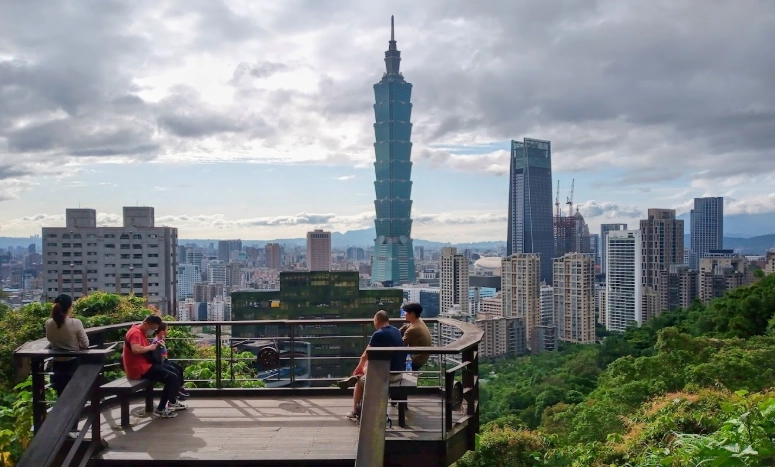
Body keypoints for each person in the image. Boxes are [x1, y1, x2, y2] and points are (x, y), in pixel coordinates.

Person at [342, 310, 406, 421]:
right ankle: (360, 376)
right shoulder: (396, 331)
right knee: (367, 366)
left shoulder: (378, 334)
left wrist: (358, 368)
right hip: (399, 373)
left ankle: (355, 412)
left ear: (376, 320)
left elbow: (365, 354)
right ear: (388, 320)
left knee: (359, 381)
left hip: (388, 376)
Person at [122, 315, 186, 418]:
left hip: (145, 365)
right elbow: (136, 349)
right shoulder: (135, 333)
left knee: (175, 372)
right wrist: (150, 347)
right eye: (153, 328)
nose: (153, 331)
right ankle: (160, 409)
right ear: (146, 323)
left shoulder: (141, 332)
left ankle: (172, 402)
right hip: (139, 369)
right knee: (171, 377)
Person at [45, 294, 89, 437]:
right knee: (74, 398)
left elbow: (51, 341)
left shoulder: (49, 323)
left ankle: (61, 428)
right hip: (73, 364)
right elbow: (85, 344)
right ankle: (73, 429)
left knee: (61, 397)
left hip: (57, 364)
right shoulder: (75, 323)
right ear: (70, 306)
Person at [153, 322, 190, 400]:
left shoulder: (160, 339)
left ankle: (180, 388)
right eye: (167, 330)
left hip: (165, 360)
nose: (168, 331)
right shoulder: (157, 342)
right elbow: (158, 356)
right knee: (175, 371)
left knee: (179, 369)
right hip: (163, 362)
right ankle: (177, 391)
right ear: (162, 332)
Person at [398, 302, 432, 371]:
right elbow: (406, 327)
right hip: (422, 357)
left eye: (406, 312)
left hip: (416, 360)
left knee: (390, 362)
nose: (404, 314)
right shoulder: (419, 322)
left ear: (412, 314)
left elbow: (401, 346)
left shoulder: (413, 329)